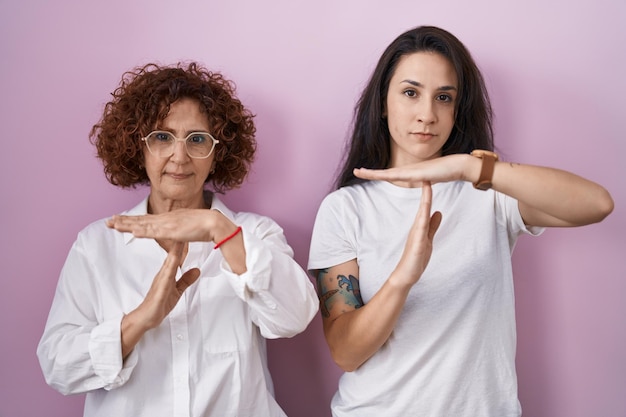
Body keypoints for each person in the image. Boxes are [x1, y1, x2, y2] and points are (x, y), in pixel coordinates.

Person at [307, 25, 614, 417]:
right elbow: (346, 353)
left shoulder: (488, 193)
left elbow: (597, 203)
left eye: (444, 98)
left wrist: (468, 167)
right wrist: (404, 276)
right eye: (410, 92)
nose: (427, 115)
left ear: (458, 108)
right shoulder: (345, 208)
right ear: (383, 103)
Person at [37, 62, 319, 417]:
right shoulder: (96, 246)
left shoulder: (255, 235)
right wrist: (138, 321)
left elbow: (295, 317)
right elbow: (58, 367)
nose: (180, 156)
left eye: (198, 139)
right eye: (162, 137)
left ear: (218, 153)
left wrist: (221, 231)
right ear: (137, 147)